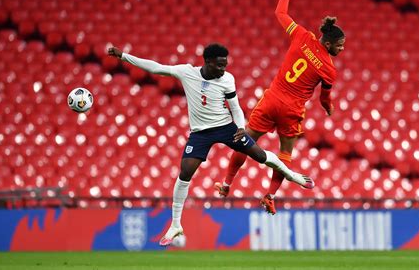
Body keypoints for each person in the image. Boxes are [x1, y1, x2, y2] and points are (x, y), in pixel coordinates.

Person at [107, 44, 313, 246]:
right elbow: (155, 67)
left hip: (225, 127)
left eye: (225, 65)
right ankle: (175, 225)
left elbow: (236, 108)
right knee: (185, 171)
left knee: (259, 156)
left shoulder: (227, 79)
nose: (223, 69)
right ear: (207, 62)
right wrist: (124, 56)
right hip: (200, 133)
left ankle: (291, 175)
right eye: (219, 65)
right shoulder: (186, 73)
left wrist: (241, 126)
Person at [214, 0, 346, 215]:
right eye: (339, 45)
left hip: (272, 99)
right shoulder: (329, 69)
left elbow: (280, 13)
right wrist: (328, 107)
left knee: (244, 141)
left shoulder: (302, 36)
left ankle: (226, 183)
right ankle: (270, 195)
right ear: (327, 44)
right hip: (291, 110)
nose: (342, 48)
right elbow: (324, 97)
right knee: (285, 152)